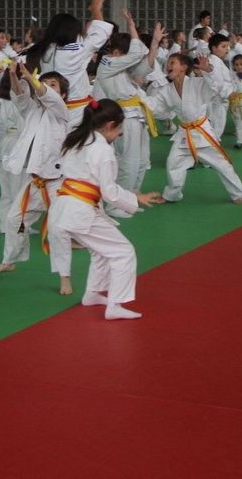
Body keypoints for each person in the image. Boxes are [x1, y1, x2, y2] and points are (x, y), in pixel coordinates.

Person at [47, 99, 164, 320]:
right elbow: (109, 193)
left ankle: (92, 294)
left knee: (102, 251)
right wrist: (135, 198)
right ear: (110, 125)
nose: (118, 135)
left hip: (64, 206)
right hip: (80, 210)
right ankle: (115, 304)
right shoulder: (103, 151)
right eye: (119, 129)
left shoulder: (76, 141)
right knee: (123, 252)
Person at [0, 63, 71, 287]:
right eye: (44, 83)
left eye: (53, 85)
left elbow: (49, 97)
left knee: (57, 231)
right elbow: (19, 94)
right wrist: (14, 75)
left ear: (62, 95)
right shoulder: (32, 111)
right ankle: (10, 260)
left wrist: (35, 82)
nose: (45, 87)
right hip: (35, 182)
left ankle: (65, 277)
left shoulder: (61, 112)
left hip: (57, 183)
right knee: (15, 220)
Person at [152, 53, 242, 204]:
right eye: (168, 63)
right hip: (184, 133)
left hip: (202, 132)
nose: (168, 65)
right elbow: (155, 106)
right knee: (173, 163)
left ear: (184, 68)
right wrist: (137, 102)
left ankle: (238, 194)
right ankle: (172, 195)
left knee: (222, 164)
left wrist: (208, 70)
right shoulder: (167, 90)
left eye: (172, 62)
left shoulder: (197, 83)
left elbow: (216, 86)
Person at [23, 0, 113, 129]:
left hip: (51, 108)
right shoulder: (76, 51)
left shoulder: (45, 50)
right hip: (76, 111)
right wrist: (96, 10)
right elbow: (100, 34)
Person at [96, 14, 162, 193]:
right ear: (117, 52)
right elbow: (134, 55)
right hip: (126, 115)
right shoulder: (107, 62)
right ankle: (118, 204)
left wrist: (154, 44)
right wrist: (132, 26)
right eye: (125, 55)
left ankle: (132, 198)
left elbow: (142, 69)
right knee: (128, 160)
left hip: (136, 115)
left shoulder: (119, 66)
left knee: (141, 160)